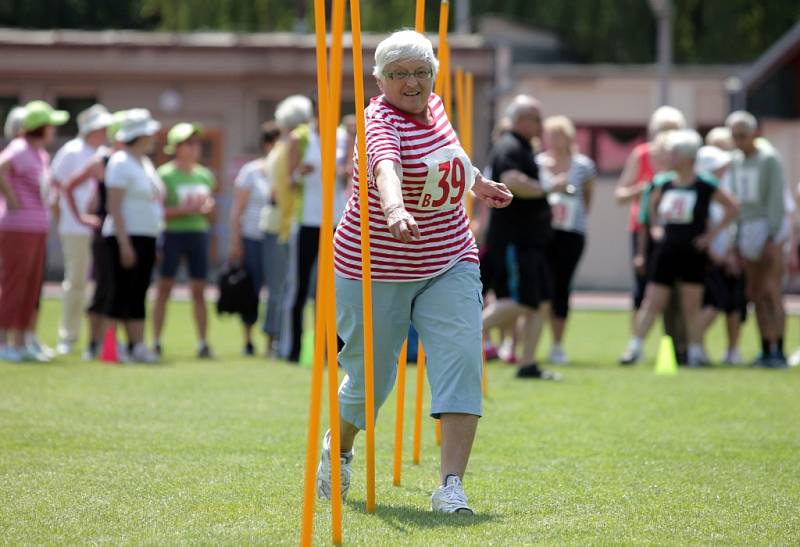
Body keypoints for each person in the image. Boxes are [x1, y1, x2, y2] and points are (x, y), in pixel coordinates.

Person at [316, 30, 512, 514]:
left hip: (448, 257)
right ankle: (338, 448)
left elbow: (451, 155)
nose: (412, 83)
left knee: (462, 360)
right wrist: (396, 209)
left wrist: (478, 183)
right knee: (370, 383)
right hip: (374, 267)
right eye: (399, 74)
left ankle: (451, 486)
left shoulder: (438, 106)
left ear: (433, 74)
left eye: (421, 72)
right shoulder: (378, 122)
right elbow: (385, 168)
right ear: (378, 79)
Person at [619, 130, 739, 367]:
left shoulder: (705, 184)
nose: (669, 156)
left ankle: (694, 352)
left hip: (692, 251)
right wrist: (655, 229)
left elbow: (733, 207)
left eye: (674, 152)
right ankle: (634, 348)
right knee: (653, 300)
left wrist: (709, 237)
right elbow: (648, 210)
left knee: (691, 305)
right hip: (666, 250)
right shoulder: (662, 183)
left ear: (686, 156)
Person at [481, 94, 561, 380]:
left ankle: (528, 363)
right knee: (521, 300)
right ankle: (467, 333)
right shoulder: (509, 145)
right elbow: (512, 181)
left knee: (538, 301)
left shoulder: (525, 146)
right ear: (523, 120)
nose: (541, 124)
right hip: (516, 239)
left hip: (532, 240)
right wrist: (546, 187)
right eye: (537, 119)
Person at [0, 100, 69, 362]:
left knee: (31, 287)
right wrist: (12, 200)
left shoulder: (41, 154)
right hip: (17, 227)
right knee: (14, 284)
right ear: (40, 127)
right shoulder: (19, 148)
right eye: (51, 125)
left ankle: (21, 340)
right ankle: (3, 341)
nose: (54, 130)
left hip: (37, 228)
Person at [616, 107, 687, 351]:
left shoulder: (684, 160)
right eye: (663, 130)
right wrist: (646, 188)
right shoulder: (642, 154)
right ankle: (635, 345)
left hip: (676, 229)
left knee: (676, 290)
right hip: (642, 228)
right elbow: (620, 194)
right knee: (641, 289)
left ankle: (677, 343)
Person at [62, 110, 127, 359]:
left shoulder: (133, 162)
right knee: (104, 287)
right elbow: (69, 185)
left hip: (127, 233)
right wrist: (82, 218)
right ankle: (93, 343)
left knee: (121, 287)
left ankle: (115, 340)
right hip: (106, 234)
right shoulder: (102, 160)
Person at [725, 111, 788, 367]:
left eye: (743, 135)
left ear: (753, 133)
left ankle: (779, 349)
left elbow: (775, 199)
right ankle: (764, 346)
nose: (738, 140)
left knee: (772, 291)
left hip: (767, 226)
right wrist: (736, 238)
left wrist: (772, 236)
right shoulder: (736, 160)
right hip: (747, 228)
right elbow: (737, 202)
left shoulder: (769, 159)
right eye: (734, 136)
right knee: (756, 292)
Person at [50, 104, 113, 355]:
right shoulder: (72, 151)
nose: (106, 130)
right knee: (75, 282)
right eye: (102, 126)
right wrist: (67, 219)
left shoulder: (105, 153)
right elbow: (57, 186)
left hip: (100, 229)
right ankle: (68, 336)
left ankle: (94, 339)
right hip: (74, 227)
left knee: (100, 284)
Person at [103, 109, 164, 363]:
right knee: (119, 292)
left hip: (146, 236)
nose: (153, 137)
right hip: (124, 237)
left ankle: (137, 345)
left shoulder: (145, 162)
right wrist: (124, 243)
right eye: (149, 133)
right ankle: (110, 348)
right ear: (139, 136)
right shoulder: (119, 162)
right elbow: (114, 206)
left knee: (138, 292)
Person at [152, 122, 216, 358]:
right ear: (176, 147)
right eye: (188, 143)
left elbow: (210, 209)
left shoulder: (205, 175)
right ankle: (156, 340)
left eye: (196, 142)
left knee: (199, 290)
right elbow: (157, 211)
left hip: (198, 234)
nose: (194, 147)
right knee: (164, 288)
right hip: (172, 235)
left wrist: (207, 207)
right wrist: (182, 209)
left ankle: (203, 342)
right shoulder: (164, 175)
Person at [537, 115, 596, 364]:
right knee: (542, 286)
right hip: (543, 232)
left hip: (571, 233)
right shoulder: (538, 163)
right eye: (549, 134)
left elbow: (588, 200)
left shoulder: (583, 165)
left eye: (558, 134)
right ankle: (530, 342)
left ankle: (558, 344)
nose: (553, 140)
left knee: (562, 287)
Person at [278, 102, 326, 363]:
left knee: (334, 289)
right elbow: (288, 180)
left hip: (336, 220)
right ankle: (291, 348)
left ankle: (332, 349)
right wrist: (299, 173)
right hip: (307, 219)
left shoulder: (343, 135)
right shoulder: (301, 137)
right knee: (299, 286)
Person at [229, 121, 281, 355]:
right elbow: (237, 210)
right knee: (251, 288)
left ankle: (272, 340)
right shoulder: (250, 171)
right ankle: (248, 340)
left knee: (277, 290)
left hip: (278, 237)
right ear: (268, 144)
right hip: (252, 237)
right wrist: (236, 242)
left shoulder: (283, 170)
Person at [695, 145, 746, 364]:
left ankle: (733, 351)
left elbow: (735, 222)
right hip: (710, 260)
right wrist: (717, 256)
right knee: (714, 303)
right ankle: (693, 345)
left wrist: (732, 254)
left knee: (735, 304)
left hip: (729, 256)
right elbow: (700, 231)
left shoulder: (724, 190)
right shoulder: (701, 191)